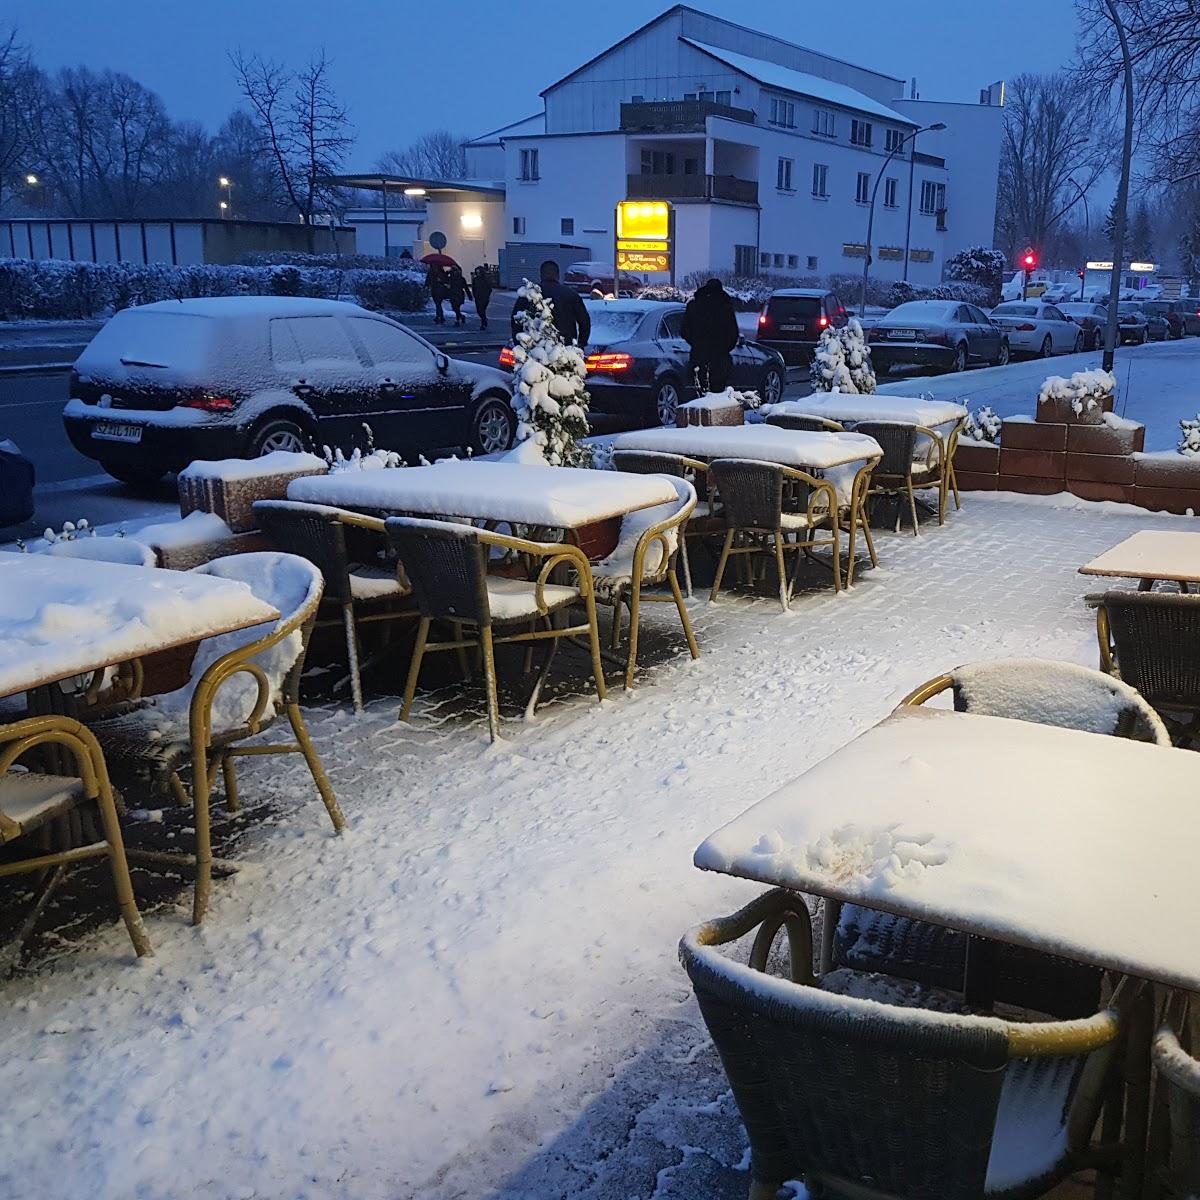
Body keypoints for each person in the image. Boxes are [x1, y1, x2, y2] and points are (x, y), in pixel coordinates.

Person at [511, 260, 591, 345]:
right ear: (558, 275)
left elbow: (516, 321)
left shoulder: (529, 295)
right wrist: (581, 344)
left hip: (535, 350)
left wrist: (519, 344)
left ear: (541, 275)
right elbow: (584, 322)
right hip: (566, 349)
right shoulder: (571, 295)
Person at [681, 277, 740, 393]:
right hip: (720, 358)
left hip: (698, 355)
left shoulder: (694, 306)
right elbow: (733, 333)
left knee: (698, 393)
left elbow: (684, 331)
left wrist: (696, 342)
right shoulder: (725, 307)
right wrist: (724, 348)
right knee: (717, 396)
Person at [471, 264, 494, 331]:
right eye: (477, 272)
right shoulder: (475, 279)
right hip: (478, 297)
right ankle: (484, 320)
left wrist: (486, 295)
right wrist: (474, 295)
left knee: (482, 310)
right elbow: (473, 288)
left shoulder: (486, 279)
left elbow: (489, 288)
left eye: (479, 272)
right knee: (479, 311)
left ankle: (483, 323)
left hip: (484, 297)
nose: (478, 273)